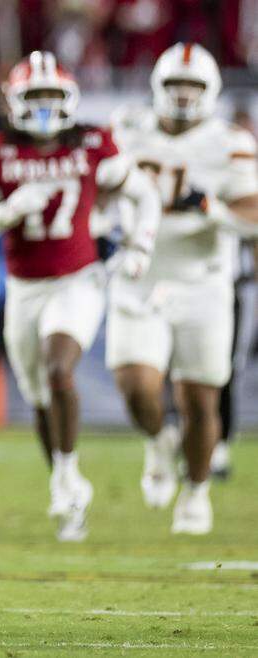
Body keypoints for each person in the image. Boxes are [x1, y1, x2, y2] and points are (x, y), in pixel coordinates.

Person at [0, 51, 161, 542]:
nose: (45, 106)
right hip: (24, 288)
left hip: (79, 278)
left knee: (57, 367)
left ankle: (67, 479)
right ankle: (66, 483)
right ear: (14, 102)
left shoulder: (93, 143)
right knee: (40, 398)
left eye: (53, 96)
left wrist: (139, 246)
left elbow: (144, 195)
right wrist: (0, 214)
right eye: (35, 96)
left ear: (69, 99)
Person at [108, 43, 258, 534]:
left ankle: (195, 491)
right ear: (157, 88)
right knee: (135, 386)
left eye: (193, 87)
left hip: (202, 282)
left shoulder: (230, 142)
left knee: (199, 401)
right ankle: (157, 440)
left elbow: (253, 217)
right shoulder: (126, 128)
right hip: (140, 275)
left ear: (210, 91)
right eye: (175, 86)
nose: (184, 96)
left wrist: (210, 207)